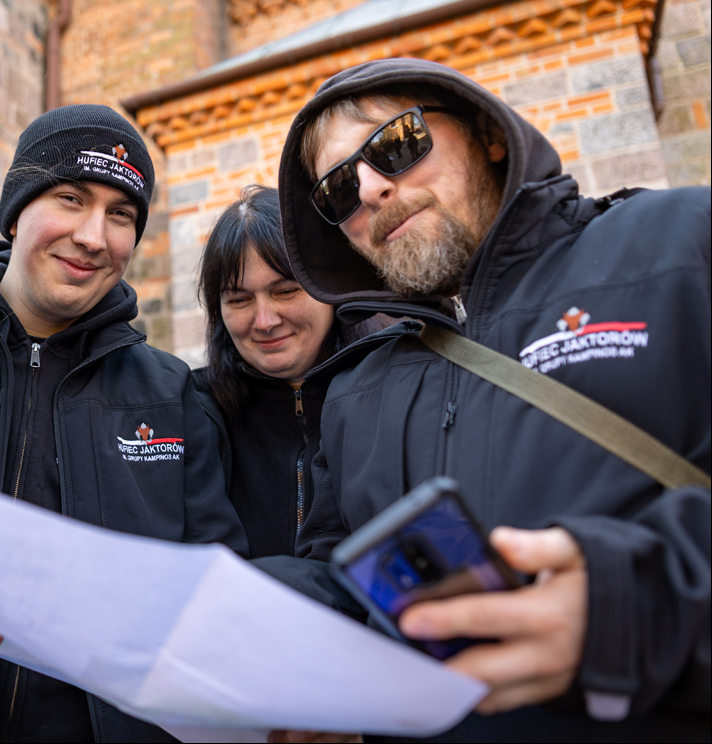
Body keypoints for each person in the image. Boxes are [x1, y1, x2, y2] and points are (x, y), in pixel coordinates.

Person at [264, 58, 709, 740]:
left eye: (396, 144)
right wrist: (258, 622)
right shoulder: (353, 393)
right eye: (339, 190)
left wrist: (639, 604)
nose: (372, 189)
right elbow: (342, 581)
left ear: (488, 135)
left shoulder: (681, 242)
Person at [0, 104, 248, 743]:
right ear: (16, 212)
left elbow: (214, 595)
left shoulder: (170, 396)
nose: (93, 236)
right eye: (70, 199)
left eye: (120, 214)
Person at [194, 185, 388, 558]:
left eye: (285, 291)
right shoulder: (196, 413)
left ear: (329, 285)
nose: (265, 321)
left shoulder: (395, 392)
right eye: (239, 299)